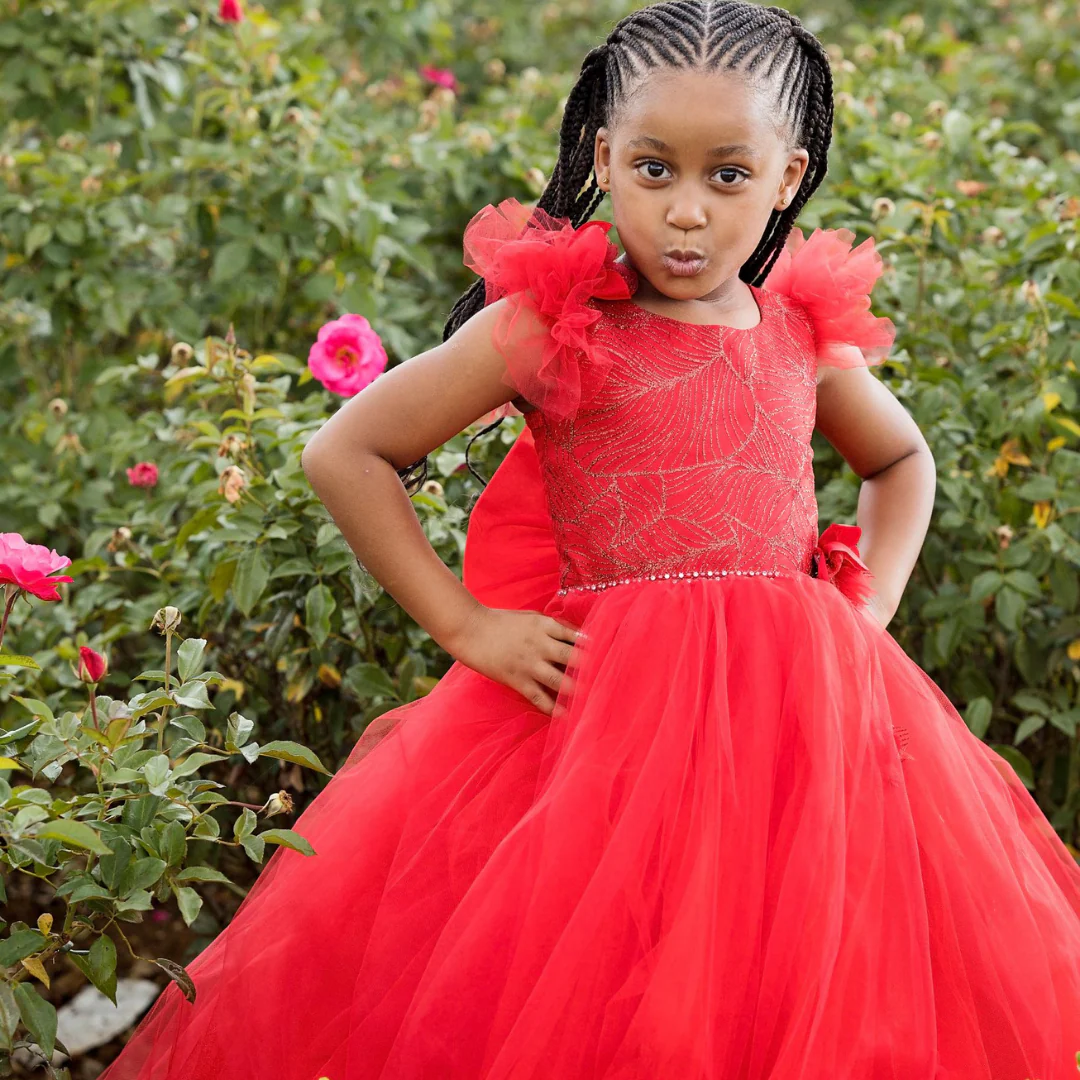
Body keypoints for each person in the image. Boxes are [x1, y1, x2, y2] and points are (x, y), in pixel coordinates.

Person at [100, 2, 1080, 1077]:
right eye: (655, 170)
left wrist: (869, 609)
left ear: (789, 176)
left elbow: (903, 462)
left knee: (805, 974)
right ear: (604, 157)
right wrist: (466, 626)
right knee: (613, 991)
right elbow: (349, 453)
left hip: (812, 735)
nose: (688, 214)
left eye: (729, 175)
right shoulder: (554, 324)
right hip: (608, 738)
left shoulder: (800, 334)